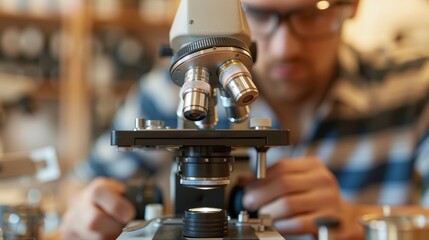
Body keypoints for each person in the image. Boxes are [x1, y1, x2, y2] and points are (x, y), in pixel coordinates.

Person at [60, 0, 429, 239]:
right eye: (259, 13)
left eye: (314, 11)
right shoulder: (167, 91)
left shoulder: (414, 86)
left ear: (352, 7)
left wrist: (359, 221)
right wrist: (88, 213)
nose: (286, 48)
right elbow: (76, 189)